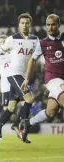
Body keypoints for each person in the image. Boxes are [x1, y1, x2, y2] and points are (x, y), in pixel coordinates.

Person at [0, 13, 40, 144]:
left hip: (23, 75)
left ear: (30, 24)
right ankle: (19, 126)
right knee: (29, 99)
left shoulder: (35, 40)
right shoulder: (12, 39)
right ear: (18, 25)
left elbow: (40, 58)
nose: (25, 25)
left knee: (11, 107)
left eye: (27, 23)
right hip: (13, 74)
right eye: (22, 23)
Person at [20, 14, 64, 142]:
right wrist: (27, 78)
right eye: (48, 25)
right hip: (53, 80)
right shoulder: (43, 43)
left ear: (59, 25)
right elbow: (32, 60)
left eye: (53, 24)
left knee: (50, 111)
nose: (50, 27)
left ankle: (27, 124)